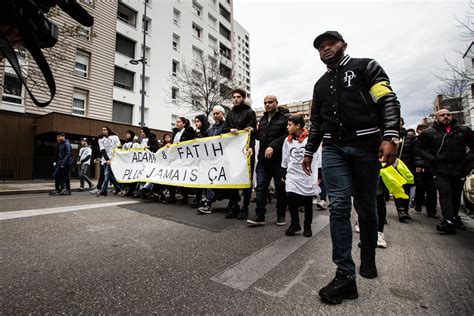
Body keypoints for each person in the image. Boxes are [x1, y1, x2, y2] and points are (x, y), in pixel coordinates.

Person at [303, 31, 401, 304]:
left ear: (343, 45)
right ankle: (345, 275)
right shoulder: (320, 85)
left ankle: (367, 252)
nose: (326, 49)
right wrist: (309, 151)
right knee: (339, 206)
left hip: (366, 147)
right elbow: (317, 123)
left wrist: (390, 135)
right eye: (320, 47)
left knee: (367, 207)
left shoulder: (365, 66)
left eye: (330, 44)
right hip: (334, 149)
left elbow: (388, 100)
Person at [416, 109, 474, 234]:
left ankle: (454, 217)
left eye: (448, 114)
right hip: (440, 170)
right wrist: (431, 159)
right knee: (445, 194)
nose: (446, 117)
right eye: (442, 115)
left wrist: (467, 161)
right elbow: (418, 149)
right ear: (436, 118)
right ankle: (448, 220)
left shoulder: (463, 131)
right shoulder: (428, 133)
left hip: (459, 169)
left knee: (455, 195)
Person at [247, 95, 290, 227]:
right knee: (260, 188)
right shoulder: (263, 119)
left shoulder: (285, 118)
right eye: (265, 102)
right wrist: (251, 134)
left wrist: (273, 146)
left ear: (277, 103)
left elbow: (287, 135)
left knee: (280, 189)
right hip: (263, 161)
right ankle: (260, 215)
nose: (267, 104)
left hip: (278, 160)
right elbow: (260, 135)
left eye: (270, 102)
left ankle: (280, 215)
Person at [281, 115, 320, 237]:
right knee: (290, 196)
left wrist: (319, 174)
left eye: (289, 125)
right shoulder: (287, 140)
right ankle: (295, 223)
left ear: (298, 126)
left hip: (307, 174)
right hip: (292, 174)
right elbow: (285, 156)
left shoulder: (310, 140)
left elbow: (317, 157)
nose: (287, 127)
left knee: (307, 200)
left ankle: (307, 225)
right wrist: (283, 169)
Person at [222, 89, 257, 219]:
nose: (235, 99)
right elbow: (224, 128)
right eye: (234, 97)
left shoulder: (250, 112)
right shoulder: (230, 113)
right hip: (233, 151)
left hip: (246, 150)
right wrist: (230, 129)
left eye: (238, 97)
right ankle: (234, 204)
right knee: (233, 178)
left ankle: (245, 207)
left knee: (246, 178)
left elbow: (252, 132)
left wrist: (251, 146)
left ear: (243, 98)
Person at [197, 106, 230, 214]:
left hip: (224, 159)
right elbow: (205, 139)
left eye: (217, 113)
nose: (215, 115)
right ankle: (209, 203)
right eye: (214, 114)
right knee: (211, 180)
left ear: (223, 114)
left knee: (226, 182)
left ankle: (233, 203)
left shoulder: (227, 126)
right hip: (212, 159)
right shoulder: (211, 128)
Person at [163, 117, 196, 204]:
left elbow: (191, 143)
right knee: (172, 176)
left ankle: (184, 198)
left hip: (184, 158)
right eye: (176, 122)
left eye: (179, 122)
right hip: (175, 158)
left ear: (184, 123)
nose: (176, 123)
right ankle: (172, 196)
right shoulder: (175, 133)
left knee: (182, 177)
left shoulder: (188, 131)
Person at [413, 124, 438, 218]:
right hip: (421, 167)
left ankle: (431, 210)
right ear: (417, 130)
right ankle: (418, 203)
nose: (422, 131)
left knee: (432, 189)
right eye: (420, 129)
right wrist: (418, 165)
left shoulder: (433, 140)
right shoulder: (416, 141)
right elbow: (416, 154)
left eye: (424, 129)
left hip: (432, 167)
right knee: (420, 187)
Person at [394, 118, 416, 222]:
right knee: (397, 188)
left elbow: (416, 152)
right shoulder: (387, 136)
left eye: (400, 121)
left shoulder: (410, 137)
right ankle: (401, 210)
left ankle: (405, 209)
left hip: (407, 166)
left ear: (403, 123)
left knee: (406, 188)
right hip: (392, 167)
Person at [191, 114, 210, 208]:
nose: (196, 123)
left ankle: (206, 199)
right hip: (197, 159)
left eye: (198, 121)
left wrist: (200, 141)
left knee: (205, 179)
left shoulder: (207, 131)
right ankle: (198, 198)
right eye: (195, 121)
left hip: (206, 159)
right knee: (198, 179)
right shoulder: (194, 132)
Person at [98, 126, 122, 196]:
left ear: (108, 130)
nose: (103, 131)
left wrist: (117, 157)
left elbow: (119, 147)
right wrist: (107, 159)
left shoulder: (115, 137)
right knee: (109, 175)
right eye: (102, 130)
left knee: (106, 174)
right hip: (105, 160)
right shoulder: (101, 139)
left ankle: (104, 190)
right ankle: (117, 188)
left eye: (105, 130)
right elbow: (102, 150)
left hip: (113, 159)